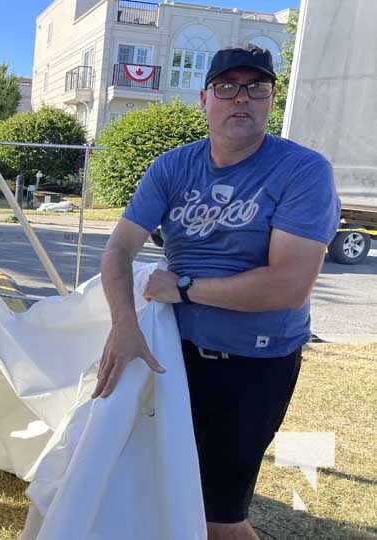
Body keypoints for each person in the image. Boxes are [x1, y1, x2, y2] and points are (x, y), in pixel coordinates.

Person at [94, 45, 340, 540]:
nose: (241, 98)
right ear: (205, 99)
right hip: (171, 357)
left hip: (254, 366)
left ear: (272, 98)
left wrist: (183, 289)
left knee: (217, 518)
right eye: (227, 87)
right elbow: (118, 250)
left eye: (257, 87)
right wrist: (124, 327)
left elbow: (289, 285)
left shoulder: (303, 171)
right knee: (158, 490)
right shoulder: (172, 167)